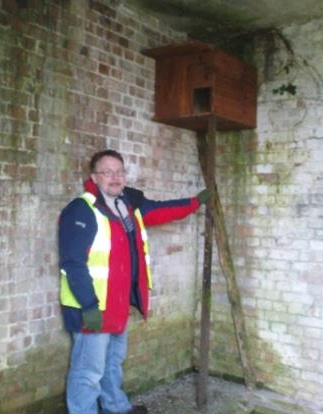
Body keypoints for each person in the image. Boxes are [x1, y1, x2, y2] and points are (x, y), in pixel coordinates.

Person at [58, 149, 211, 414]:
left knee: (113, 363)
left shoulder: (128, 206)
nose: (115, 177)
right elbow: (73, 263)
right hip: (93, 309)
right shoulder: (81, 210)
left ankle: (115, 408)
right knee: (88, 372)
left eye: (119, 171)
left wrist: (195, 202)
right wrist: (89, 305)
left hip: (118, 305)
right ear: (94, 177)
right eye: (108, 172)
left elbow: (163, 211)